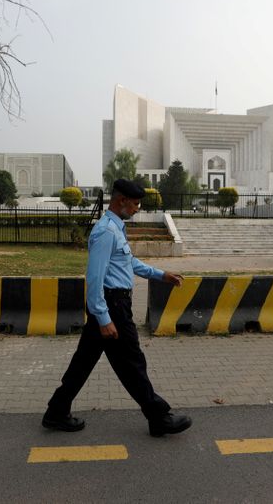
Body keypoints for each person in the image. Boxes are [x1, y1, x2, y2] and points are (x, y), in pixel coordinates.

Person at [43, 178, 193, 437]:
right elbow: (94, 278)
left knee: (84, 362)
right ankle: (159, 418)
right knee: (132, 363)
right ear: (121, 200)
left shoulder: (116, 228)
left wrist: (160, 275)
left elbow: (128, 263)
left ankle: (56, 411)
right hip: (112, 307)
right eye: (135, 204)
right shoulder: (106, 232)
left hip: (112, 305)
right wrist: (103, 317)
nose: (137, 209)